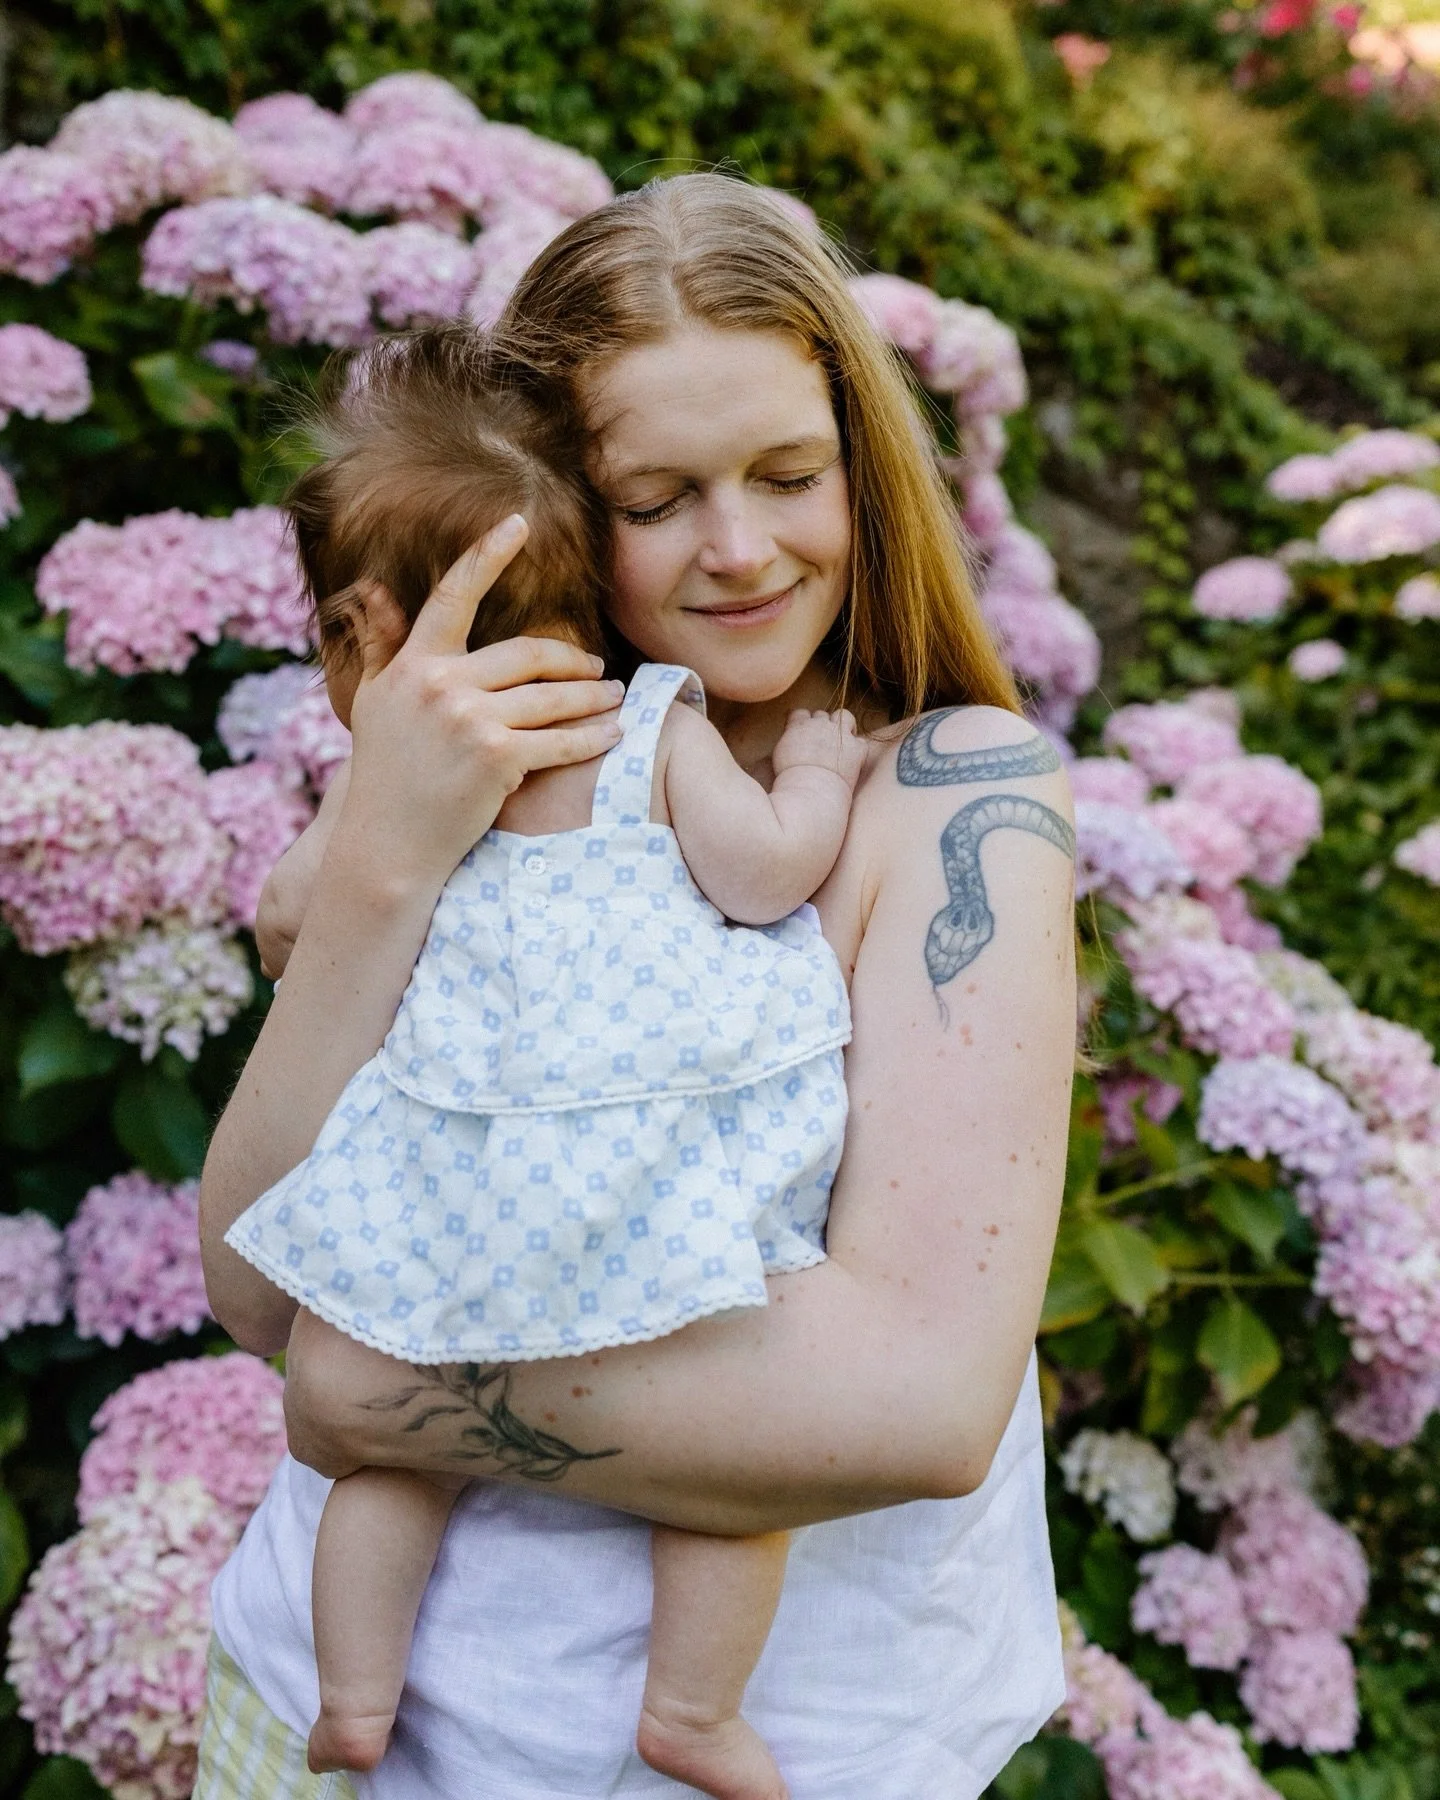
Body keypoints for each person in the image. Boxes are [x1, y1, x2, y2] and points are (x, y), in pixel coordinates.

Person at [197, 172, 1077, 1800]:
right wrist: (384, 854)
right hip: (329, 1725)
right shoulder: (482, 798)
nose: (738, 550)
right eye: (656, 497)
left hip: (789, 1756)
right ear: (539, 507)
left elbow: (918, 1402)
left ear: (864, 476)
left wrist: (377, 1376)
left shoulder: (945, 793)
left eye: (789, 475)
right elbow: (256, 1285)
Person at [226, 324, 864, 1798]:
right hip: (648, 1195)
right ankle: (693, 1712)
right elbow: (766, 876)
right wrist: (818, 779)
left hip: (465, 1202)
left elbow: (293, 930)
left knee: (393, 1467)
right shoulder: (647, 722)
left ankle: (356, 1697)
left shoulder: (412, 799)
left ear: (369, 638)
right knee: (733, 1482)